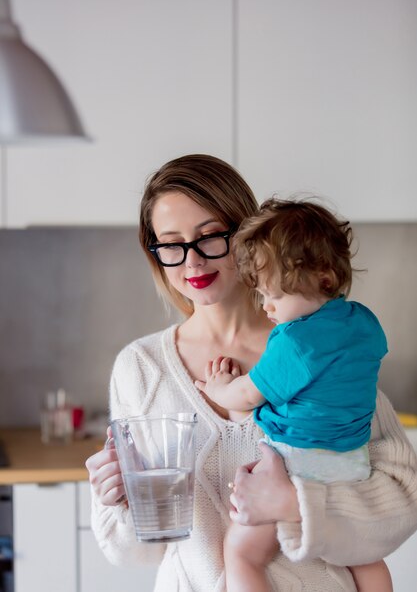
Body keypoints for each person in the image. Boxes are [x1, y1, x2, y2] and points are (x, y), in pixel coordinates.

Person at [85, 154, 417, 592]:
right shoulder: (140, 368)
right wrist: (118, 500)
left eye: (210, 237)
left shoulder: (318, 345)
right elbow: (132, 552)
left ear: (247, 237)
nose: (193, 262)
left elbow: (402, 499)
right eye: (171, 244)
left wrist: (298, 505)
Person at [195, 198, 392, 592]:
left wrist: (219, 388)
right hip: (353, 464)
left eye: (275, 296)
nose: (266, 306)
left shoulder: (294, 342)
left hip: (298, 463)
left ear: (323, 278)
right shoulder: (365, 323)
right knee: (365, 559)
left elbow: (247, 395)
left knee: (242, 553)